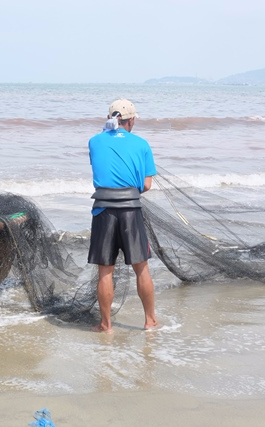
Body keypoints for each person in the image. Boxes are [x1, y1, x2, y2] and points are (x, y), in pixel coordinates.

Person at [87, 99, 159, 333]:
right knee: (141, 268)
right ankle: (150, 321)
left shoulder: (94, 141)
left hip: (103, 210)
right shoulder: (142, 144)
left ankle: (106, 325)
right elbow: (146, 185)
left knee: (105, 270)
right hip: (130, 210)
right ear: (132, 119)